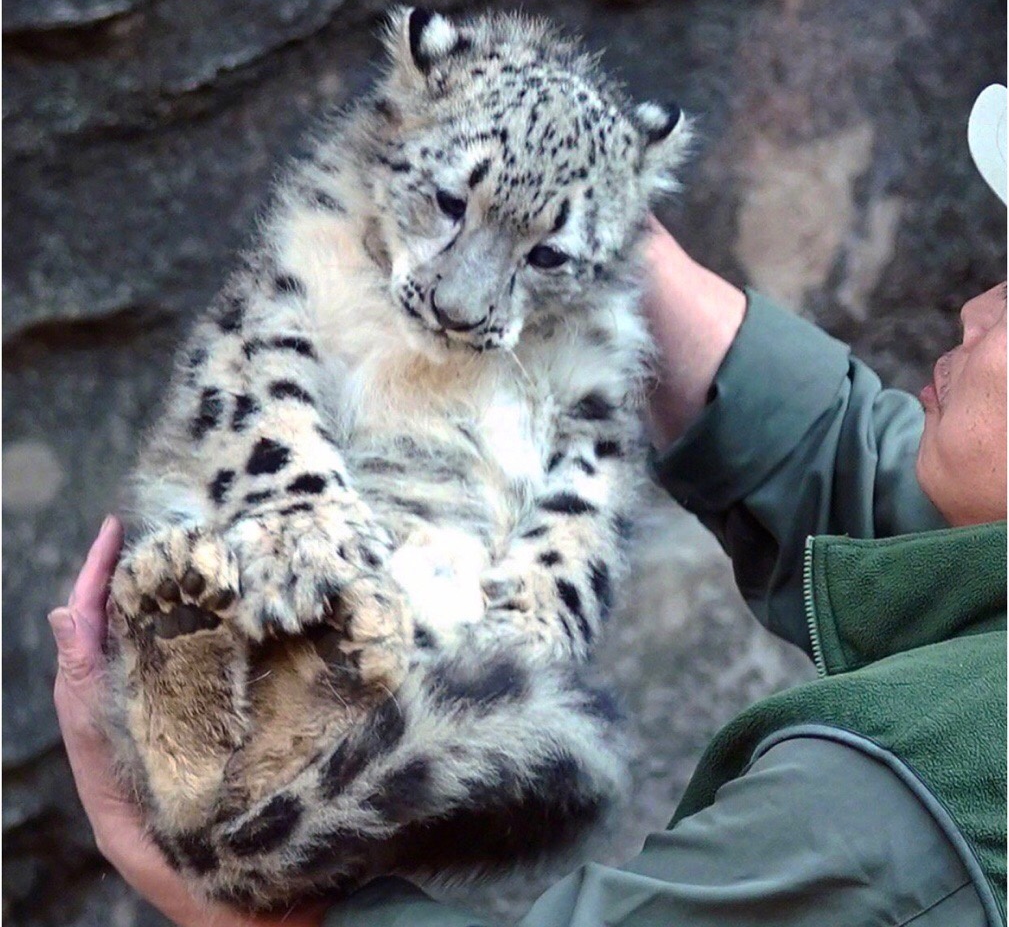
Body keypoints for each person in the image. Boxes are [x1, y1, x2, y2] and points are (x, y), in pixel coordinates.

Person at [51, 86, 1007, 927]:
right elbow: (895, 498)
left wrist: (260, 923)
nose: (972, 309)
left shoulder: (904, 799)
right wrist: (588, 201)